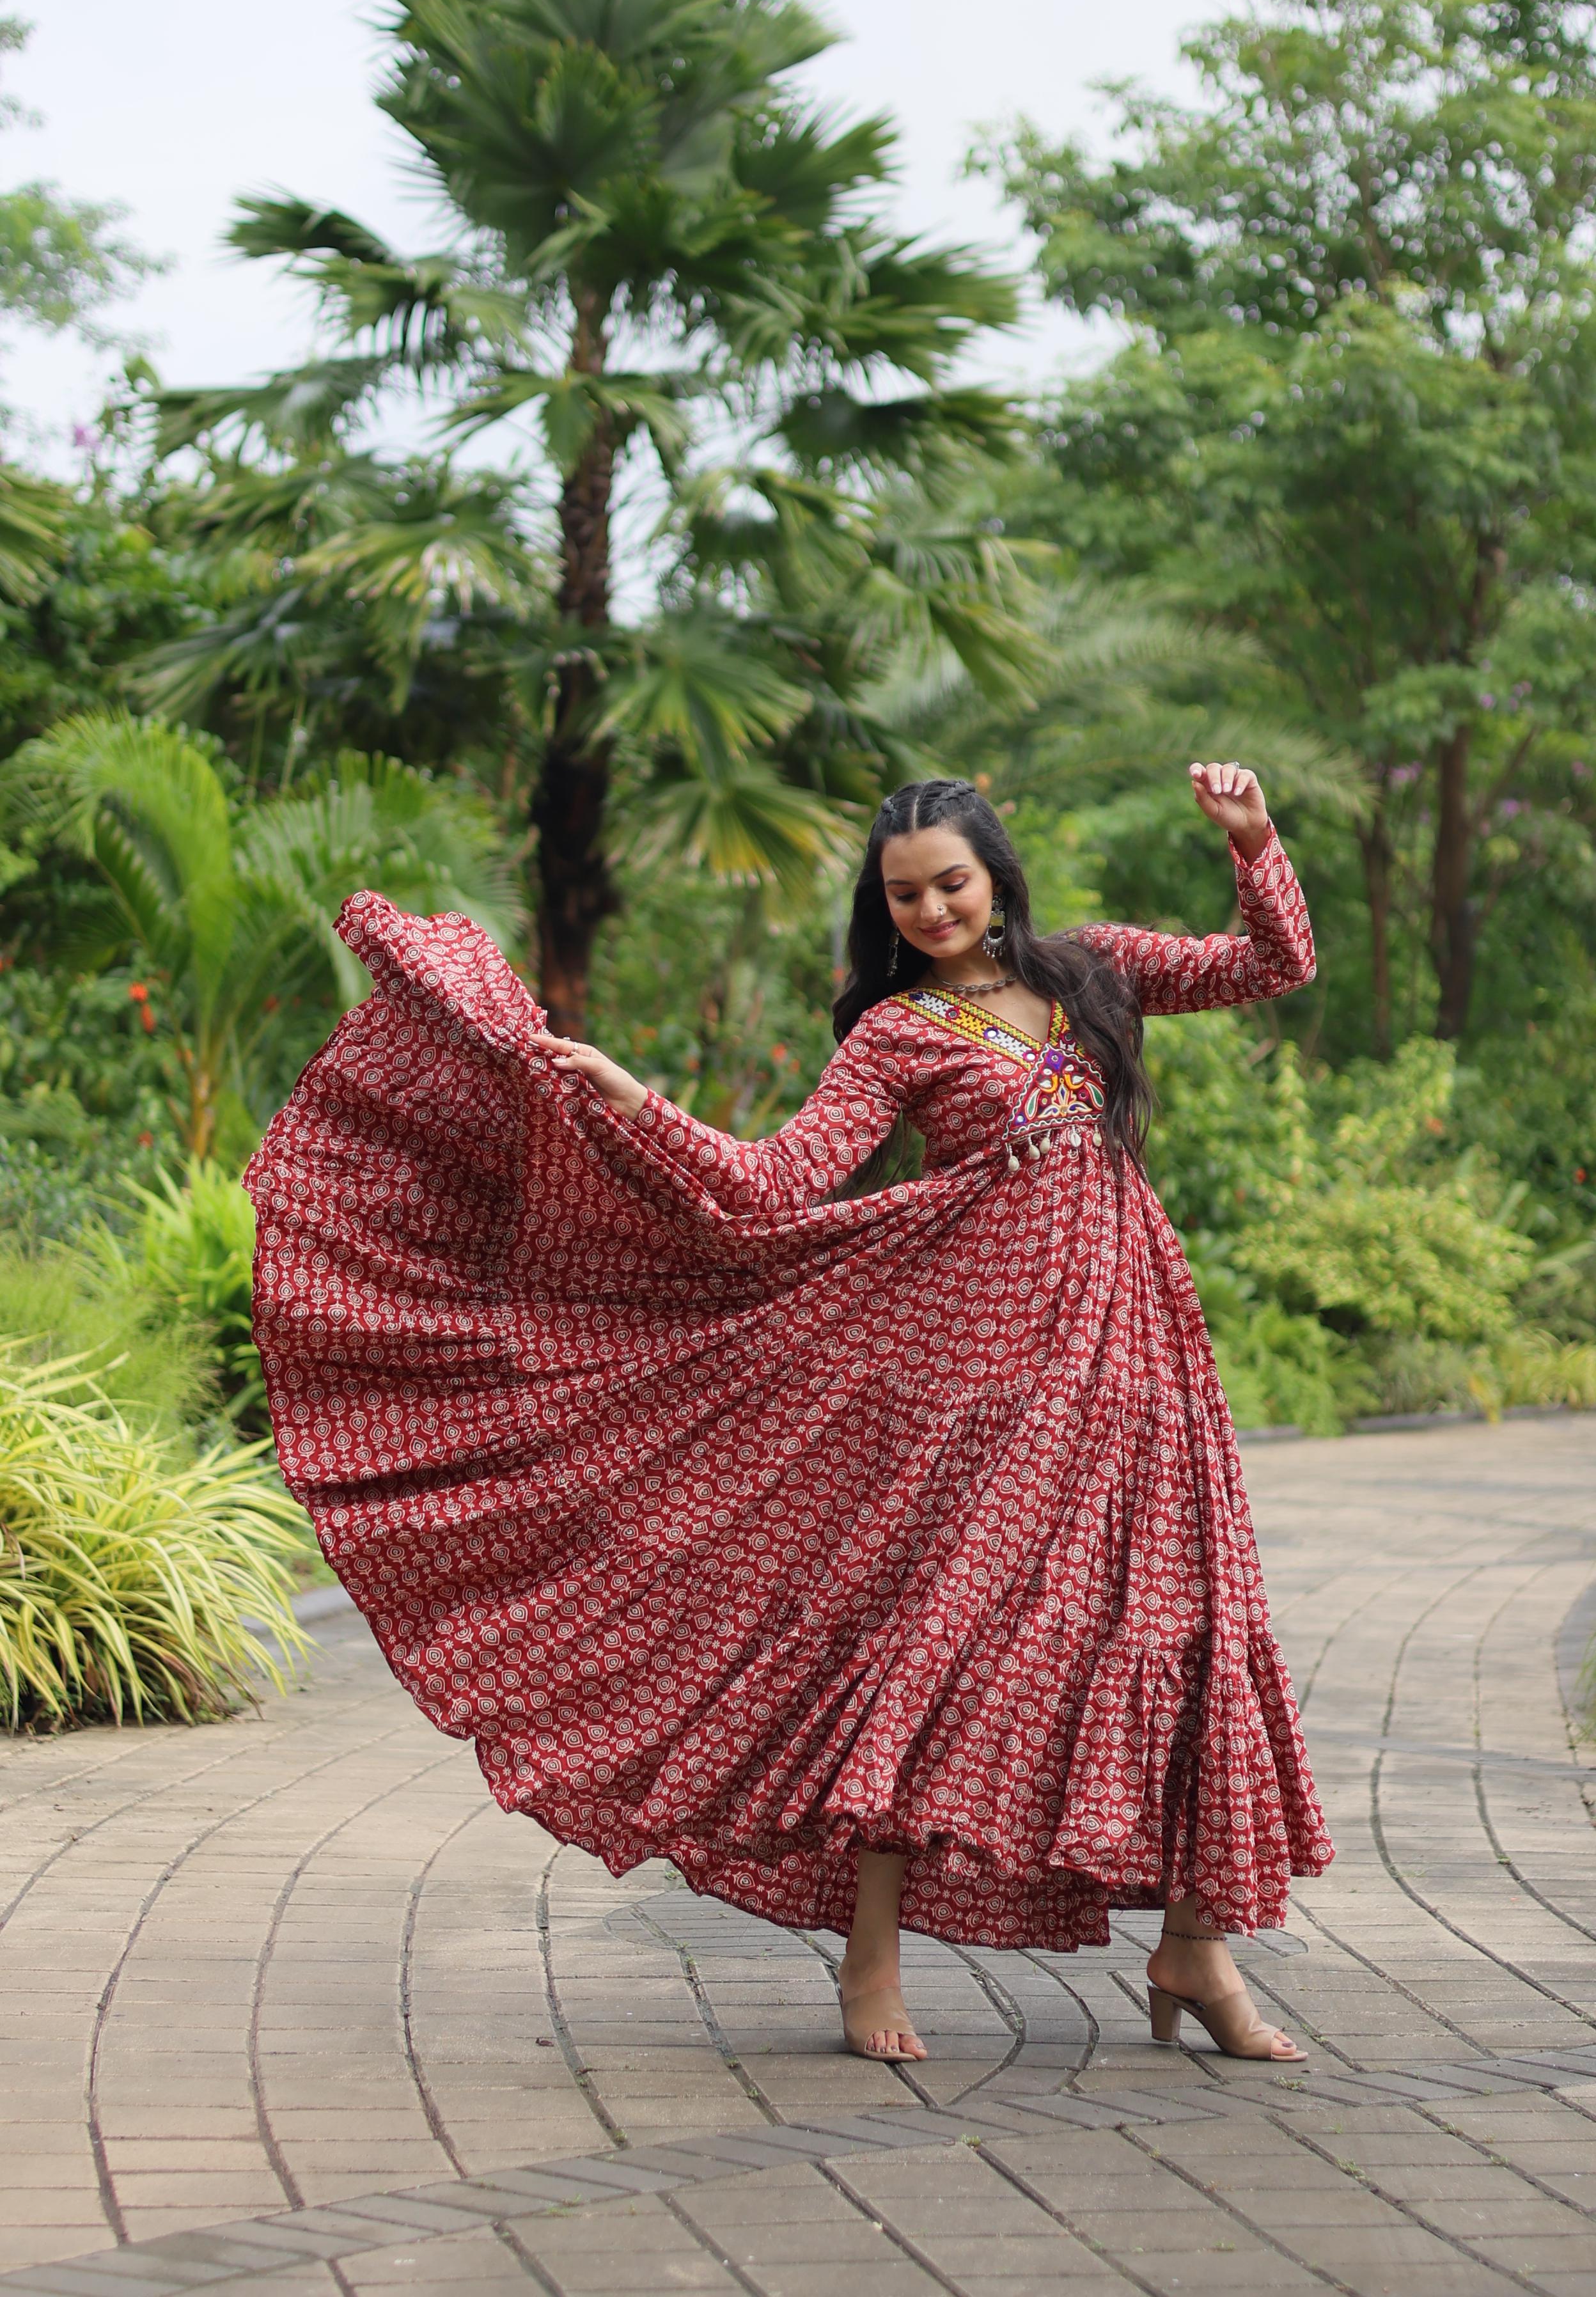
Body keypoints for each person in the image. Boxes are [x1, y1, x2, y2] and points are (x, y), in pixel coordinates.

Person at [247, 761, 1333, 2070]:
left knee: (1178, 1626)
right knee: (927, 1646)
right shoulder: (895, 1035)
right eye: (904, 895)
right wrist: (639, 1103)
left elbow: (1274, 962)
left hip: (1145, 1361)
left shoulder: (1094, 973)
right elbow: (776, 1184)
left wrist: (1253, 841)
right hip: (980, 1376)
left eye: (951, 883)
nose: (932, 909)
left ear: (996, 879)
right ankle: (870, 1962)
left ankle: (1194, 1947)